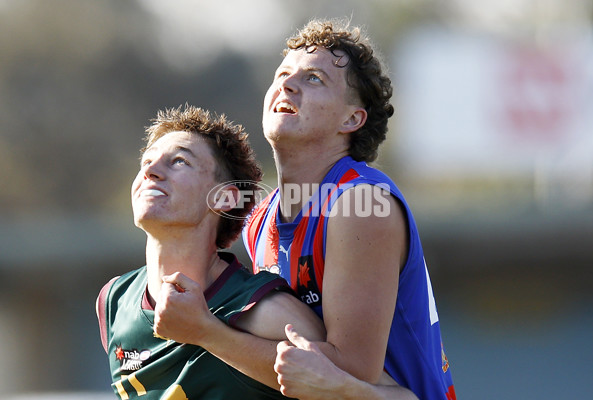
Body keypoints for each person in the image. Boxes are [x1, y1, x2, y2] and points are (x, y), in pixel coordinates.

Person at [154, 18, 456, 400]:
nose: (287, 84)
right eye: (282, 73)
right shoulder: (260, 219)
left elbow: (348, 371)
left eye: (314, 78)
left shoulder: (362, 203)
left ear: (352, 119)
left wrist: (204, 332)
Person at [95, 104, 325, 399]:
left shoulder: (262, 307)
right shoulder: (115, 299)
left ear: (225, 197)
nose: (150, 171)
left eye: (178, 161)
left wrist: (208, 332)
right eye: (146, 161)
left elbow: (349, 386)